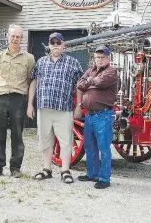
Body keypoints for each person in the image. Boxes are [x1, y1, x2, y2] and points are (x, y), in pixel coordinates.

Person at [27, 32, 83, 184]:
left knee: (65, 141)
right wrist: (30, 104)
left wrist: (79, 104)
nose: (56, 45)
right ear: (49, 45)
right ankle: (47, 169)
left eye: (59, 43)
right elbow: (33, 82)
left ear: (64, 45)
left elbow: (80, 84)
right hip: (44, 108)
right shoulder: (41, 62)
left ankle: (65, 170)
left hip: (63, 109)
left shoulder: (72, 62)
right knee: (45, 140)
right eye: (53, 43)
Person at [0, 24, 35, 178]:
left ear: (21, 39)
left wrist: (27, 102)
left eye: (18, 37)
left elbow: (30, 79)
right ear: (8, 37)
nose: (15, 39)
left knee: (17, 133)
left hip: (18, 98)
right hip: (0, 96)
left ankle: (15, 167)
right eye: (13, 36)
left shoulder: (29, 58)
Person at [77, 46, 119, 189]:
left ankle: (104, 178)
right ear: (94, 58)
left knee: (103, 148)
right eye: (97, 57)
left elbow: (100, 82)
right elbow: (80, 84)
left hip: (103, 115)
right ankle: (92, 174)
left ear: (108, 58)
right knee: (90, 146)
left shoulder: (111, 71)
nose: (99, 60)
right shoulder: (91, 70)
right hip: (89, 115)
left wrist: (89, 82)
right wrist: (91, 81)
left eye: (102, 57)